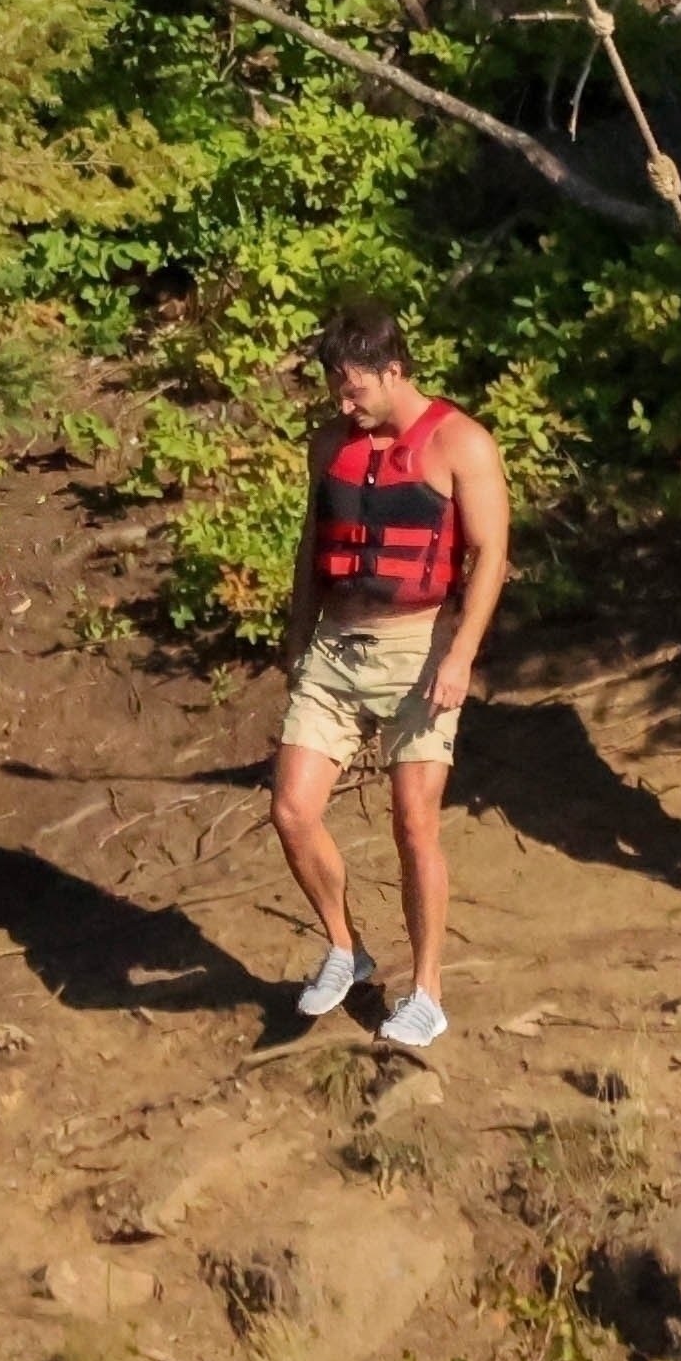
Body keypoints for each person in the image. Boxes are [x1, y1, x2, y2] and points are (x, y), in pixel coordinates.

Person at [270, 301, 510, 1047]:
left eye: (354, 391)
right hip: (335, 648)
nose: (344, 406)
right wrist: (296, 633)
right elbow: (312, 543)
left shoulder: (460, 442)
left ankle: (427, 992)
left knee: (413, 823)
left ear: (394, 371)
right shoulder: (328, 444)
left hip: (419, 650)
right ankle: (346, 947)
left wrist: (461, 655)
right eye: (336, 393)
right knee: (291, 809)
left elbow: (490, 556)